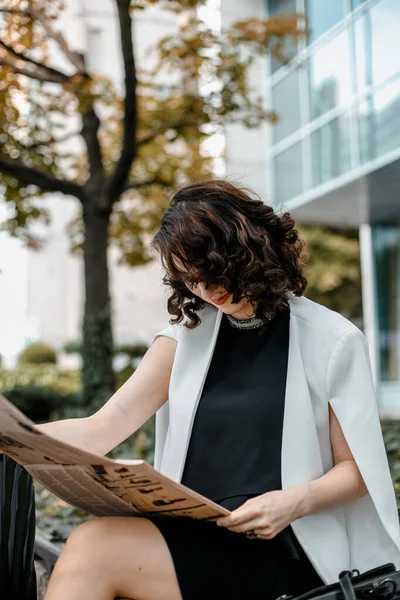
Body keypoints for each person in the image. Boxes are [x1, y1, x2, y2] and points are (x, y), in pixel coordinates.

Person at [38, 180, 399, 600]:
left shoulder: (333, 339)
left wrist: (290, 503)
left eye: (208, 272)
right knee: (92, 543)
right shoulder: (184, 337)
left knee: (95, 548)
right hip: (193, 536)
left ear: (244, 250)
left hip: (285, 546)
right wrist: (16, 438)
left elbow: (357, 471)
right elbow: (103, 427)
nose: (204, 290)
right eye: (188, 280)